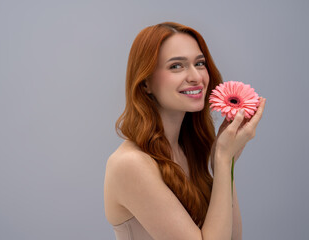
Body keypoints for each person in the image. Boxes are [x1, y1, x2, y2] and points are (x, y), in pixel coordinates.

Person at [104, 22, 266, 240]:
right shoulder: (131, 164)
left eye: (199, 63)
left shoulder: (189, 151)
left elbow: (233, 237)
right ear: (145, 84)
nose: (196, 77)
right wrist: (224, 157)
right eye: (176, 66)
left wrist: (226, 164)